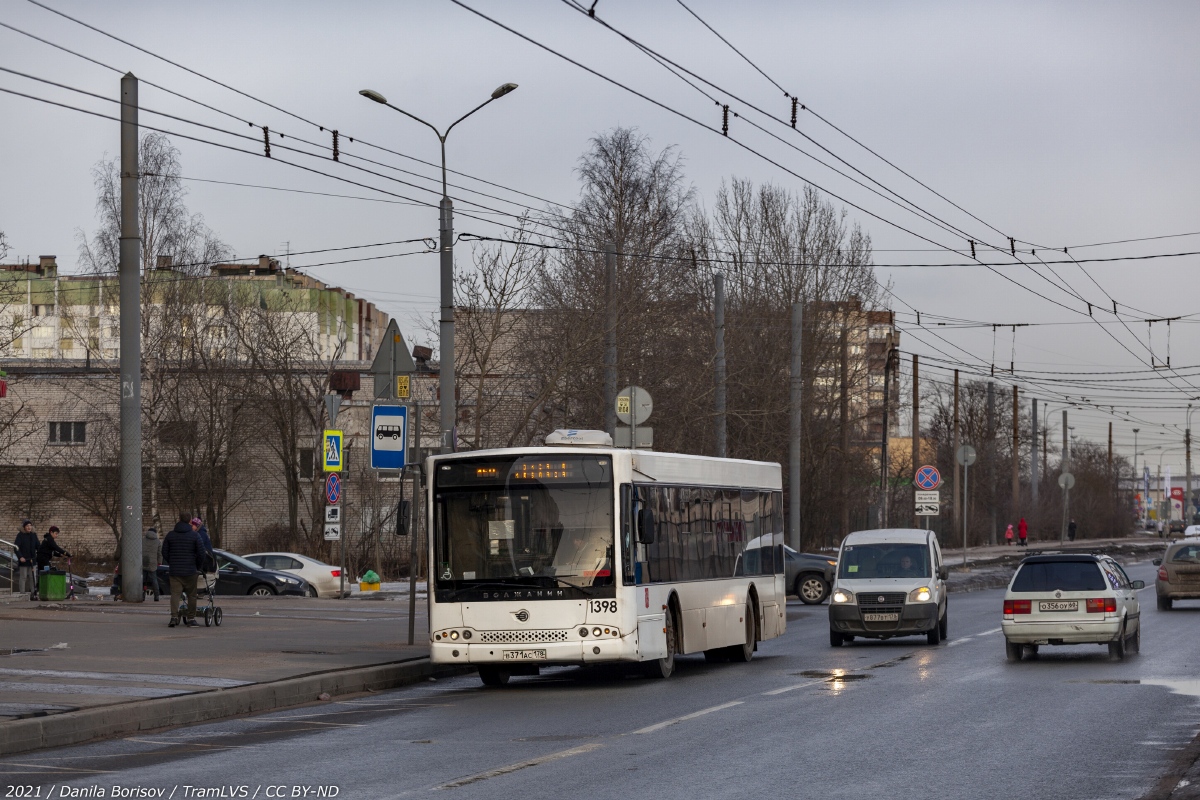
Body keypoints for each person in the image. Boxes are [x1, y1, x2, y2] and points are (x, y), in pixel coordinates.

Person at [161, 513, 204, 628]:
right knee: (192, 595)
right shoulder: (195, 536)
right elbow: (201, 553)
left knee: (175, 594)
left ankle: (174, 617)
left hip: (175, 571)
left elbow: (164, 552)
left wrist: (172, 562)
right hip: (190, 570)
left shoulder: (170, 535)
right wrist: (197, 566)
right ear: (190, 521)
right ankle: (191, 618)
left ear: (179, 520)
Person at [15, 520, 38, 601]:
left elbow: (38, 546)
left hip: (32, 560)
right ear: (24, 527)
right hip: (24, 560)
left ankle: (33, 593)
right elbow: (16, 547)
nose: (29, 527)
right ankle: (22, 593)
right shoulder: (20, 535)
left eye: (30, 525)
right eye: (27, 526)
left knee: (33, 577)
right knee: (23, 577)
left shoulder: (34, 535)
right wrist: (20, 557)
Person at [142, 527, 162, 601]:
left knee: (143, 579)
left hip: (143, 561)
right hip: (153, 563)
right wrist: (159, 562)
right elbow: (159, 553)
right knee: (154, 580)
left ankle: (142, 595)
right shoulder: (158, 542)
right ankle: (156, 596)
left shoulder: (142, 540)